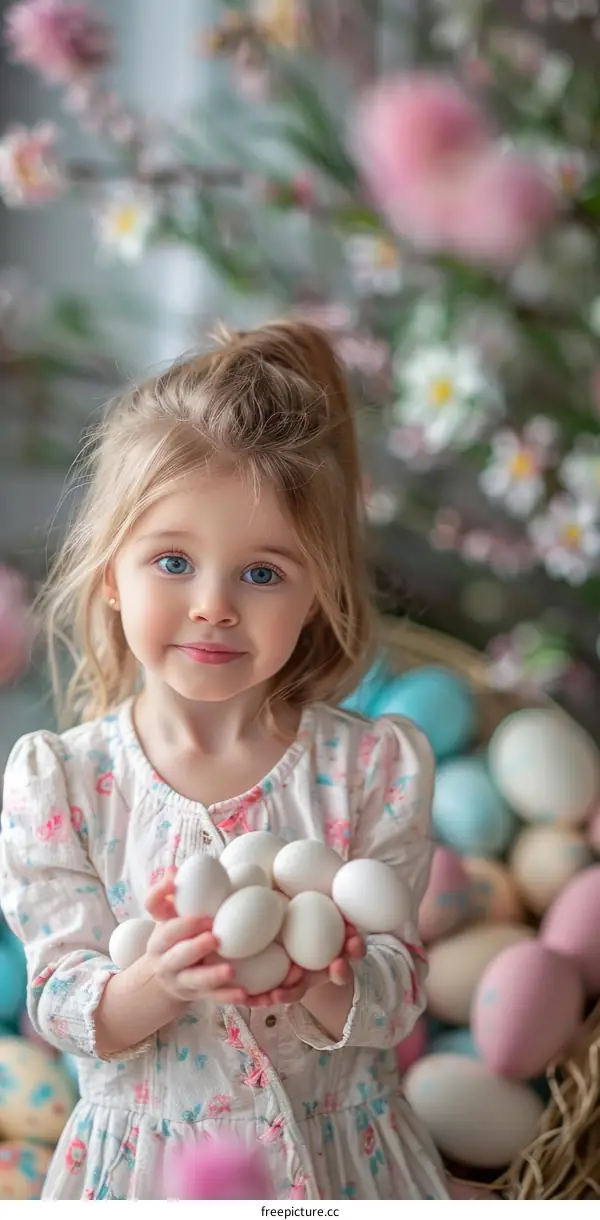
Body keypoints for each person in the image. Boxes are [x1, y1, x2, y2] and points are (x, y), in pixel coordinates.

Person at [0, 320, 449, 1201]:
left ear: (316, 593)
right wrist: (157, 982)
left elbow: (398, 996)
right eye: (173, 561)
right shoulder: (64, 784)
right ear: (112, 576)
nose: (213, 606)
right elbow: (58, 1001)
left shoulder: (370, 768)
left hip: (340, 1164)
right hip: (153, 1171)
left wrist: (322, 978)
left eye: (263, 574)